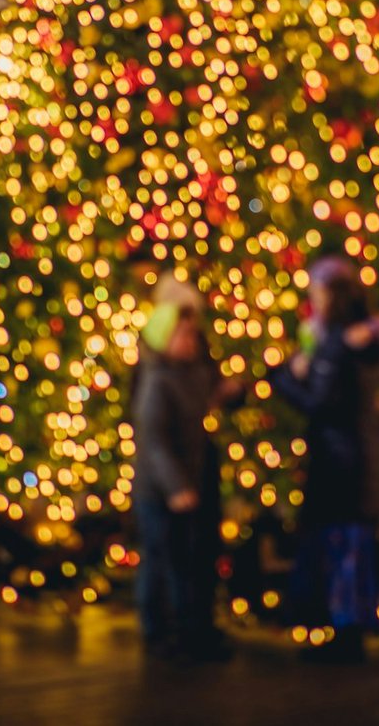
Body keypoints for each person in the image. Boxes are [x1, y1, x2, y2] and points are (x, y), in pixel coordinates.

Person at [272, 256, 379, 663]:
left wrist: (286, 377)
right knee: (351, 546)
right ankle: (348, 627)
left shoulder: (337, 343)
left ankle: (345, 631)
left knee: (341, 545)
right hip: (356, 458)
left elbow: (319, 402)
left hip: (340, 463)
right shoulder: (359, 340)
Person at [131, 275, 240, 662]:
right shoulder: (157, 381)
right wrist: (176, 485)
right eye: (184, 335)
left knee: (184, 558)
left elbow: (209, 396)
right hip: (158, 489)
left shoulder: (191, 371)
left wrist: (230, 392)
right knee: (160, 557)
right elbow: (155, 441)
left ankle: (187, 629)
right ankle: (157, 630)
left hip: (186, 479)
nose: (193, 343)